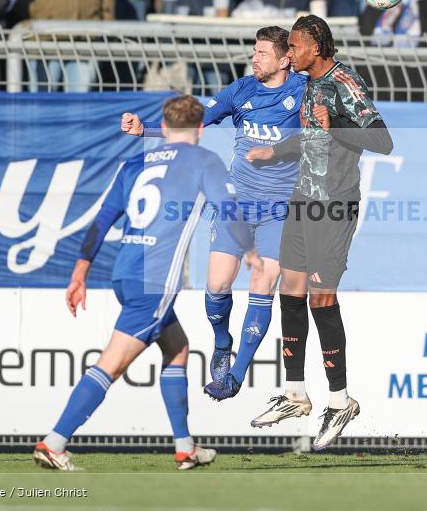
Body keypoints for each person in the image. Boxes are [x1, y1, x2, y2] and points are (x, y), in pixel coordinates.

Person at [34, 95, 262, 472]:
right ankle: (54, 442)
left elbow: (102, 220)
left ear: (165, 127)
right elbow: (229, 208)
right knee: (112, 363)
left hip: (125, 272)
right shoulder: (204, 160)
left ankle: (185, 448)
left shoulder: (135, 162)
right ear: (201, 129)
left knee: (178, 348)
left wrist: (79, 272)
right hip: (154, 281)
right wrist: (249, 250)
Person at [121, 26, 304, 401]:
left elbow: (322, 136)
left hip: (281, 209)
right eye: (254, 52)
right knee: (218, 285)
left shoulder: (303, 92)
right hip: (236, 206)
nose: (255, 58)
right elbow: (198, 121)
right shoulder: (241, 90)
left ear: (285, 59)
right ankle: (223, 344)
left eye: (263, 53)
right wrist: (147, 131)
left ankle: (234, 376)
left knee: (262, 284)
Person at [245, 15, 393, 450]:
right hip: (303, 198)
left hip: (335, 204)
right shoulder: (310, 82)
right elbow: (312, 135)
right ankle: (295, 392)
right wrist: (275, 150)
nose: (288, 54)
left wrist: (337, 128)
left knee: (321, 298)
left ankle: (340, 401)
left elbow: (383, 141)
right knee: (289, 291)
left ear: (316, 47)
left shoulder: (345, 83)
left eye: (294, 47)